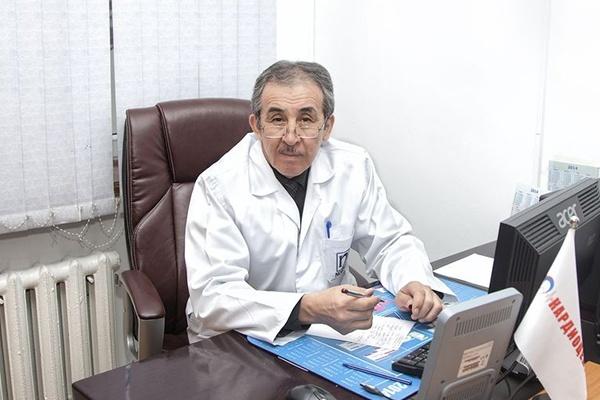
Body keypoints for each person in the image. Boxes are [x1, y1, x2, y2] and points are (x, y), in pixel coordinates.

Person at [185, 60, 453, 344]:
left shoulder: (352, 166)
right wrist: (308, 308)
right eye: (277, 119)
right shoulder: (219, 185)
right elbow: (214, 296)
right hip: (240, 341)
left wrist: (413, 281)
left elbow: (390, 242)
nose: (291, 137)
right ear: (256, 126)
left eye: (306, 119)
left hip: (330, 332)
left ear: (327, 127)